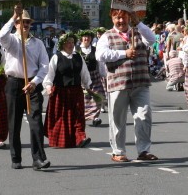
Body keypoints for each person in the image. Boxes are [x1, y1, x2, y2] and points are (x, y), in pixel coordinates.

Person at [96, 8, 159, 163]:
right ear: (112, 19)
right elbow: (100, 55)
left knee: (144, 116)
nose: (121, 21)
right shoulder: (107, 36)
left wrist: (138, 22)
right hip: (118, 83)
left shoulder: (139, 32)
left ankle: (144, 150)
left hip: (140, 82)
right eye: (117, 18)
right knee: (118, 119)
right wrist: (124, 54)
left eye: (124, 17)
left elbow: (152, 40)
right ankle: (118, 151)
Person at [0, 6, 50, 171]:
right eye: (22, 22)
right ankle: (16, 157)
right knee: (14, 123)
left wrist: (35, 81)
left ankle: (39, 158)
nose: (25, 24)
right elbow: (1, 36)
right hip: (14, 83)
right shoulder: (12, 40)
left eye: (27, 22)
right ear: (16, 24)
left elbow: (44, 66)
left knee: (36, 121)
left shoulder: (38, 43)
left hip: (33, 84)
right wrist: (13, 16)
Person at [43, 32, 92, 148]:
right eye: (68, 42)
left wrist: (88, 86)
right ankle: (62, 140)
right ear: (62, 44)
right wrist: (48, 87)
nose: (70, 44)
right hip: (60, 91)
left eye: (72, 42)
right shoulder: (56, 57)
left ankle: (81, 138)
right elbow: (49, 75)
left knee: (78, 115)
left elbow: (84, 73)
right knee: (61, 117)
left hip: (76, 91)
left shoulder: (78, 57)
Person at [77, 29, 105, 127]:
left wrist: (103, 74)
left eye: (88, 37)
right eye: (84, 36)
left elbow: (100, 63)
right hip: (81, 77)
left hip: (94, 75)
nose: (86, 38)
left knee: (98, 95)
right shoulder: (76, 50)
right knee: (85, 97)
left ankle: (95, 117)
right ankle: (84, 116)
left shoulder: (95, 49)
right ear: (81, 38)